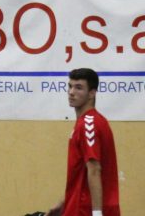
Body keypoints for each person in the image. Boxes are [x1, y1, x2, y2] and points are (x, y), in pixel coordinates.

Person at [46, 68, 120, 216]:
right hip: (80, 206)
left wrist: (97, 213)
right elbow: (81, 173)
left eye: (78, 87)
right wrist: (63, 203)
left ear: (92, 93)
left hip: (85, 210)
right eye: (70, 86)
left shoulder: (89, 123)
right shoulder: (88, 122)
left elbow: (94, 169)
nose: (71, 92)